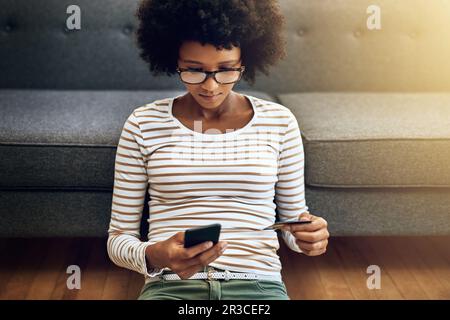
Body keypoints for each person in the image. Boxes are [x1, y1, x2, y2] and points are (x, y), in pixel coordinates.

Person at [107, 0, 329, 300]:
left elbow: (292, 226)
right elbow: (118, 240)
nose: (210, 86)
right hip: (171, 285)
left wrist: (308, 236)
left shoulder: (280, 122)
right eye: (194, 70)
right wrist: (155, 255)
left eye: (225, 70)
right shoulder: (142, 123)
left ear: (245, 62)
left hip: (257, 284)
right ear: (175, 62)